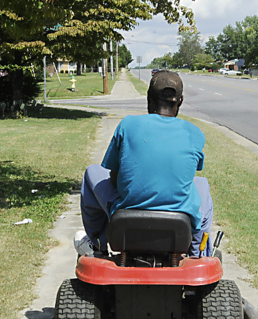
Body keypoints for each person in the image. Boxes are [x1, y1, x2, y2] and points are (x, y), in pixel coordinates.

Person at [74, 70, 213, 258]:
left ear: (148, 97)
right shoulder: (194, 132)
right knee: (202, 184)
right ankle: (198, 253)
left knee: (92, 172)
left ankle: (97, 245)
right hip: (179, 217)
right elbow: (186, 176)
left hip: (128, 213)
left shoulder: (128, 124)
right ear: (180, 101)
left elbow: (114, 179)